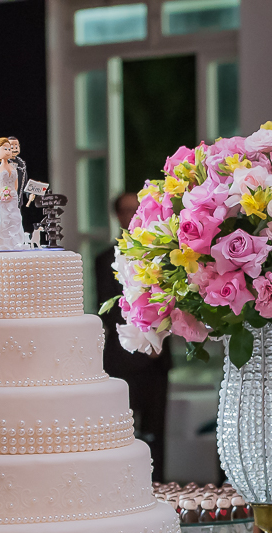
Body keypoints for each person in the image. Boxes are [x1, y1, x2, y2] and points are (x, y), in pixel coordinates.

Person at [95, 192, 173, 481]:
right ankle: (124, 485)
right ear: (117, 216)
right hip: (123, 358)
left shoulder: (162, 255)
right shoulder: (104, 260)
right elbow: (113, 308)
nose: (131, 215)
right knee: (124, 431)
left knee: (157, 431)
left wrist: (158, 338)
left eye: (134, 209)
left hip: (157, 359)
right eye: (125, 210)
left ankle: (160, 486)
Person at [0, 137, 30, 251]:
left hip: (12, 197)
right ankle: (0, 242)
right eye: (6, 148)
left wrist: (14, 193)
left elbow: (18, 183)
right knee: (2, 219)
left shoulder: (17, 166)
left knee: (15, 218)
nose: (9, 151)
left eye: (10, 148)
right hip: (1, 197)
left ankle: (14, 242)